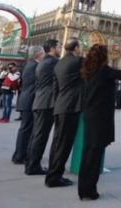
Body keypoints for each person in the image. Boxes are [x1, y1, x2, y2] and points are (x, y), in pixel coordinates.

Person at [78, 44, 121, 201]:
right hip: (100, 117)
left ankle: (83, 189)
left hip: (89, 114)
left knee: (88, 152)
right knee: (95, 154)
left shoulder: (87, 70)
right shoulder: (104, 71)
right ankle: (89, 190)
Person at [46, 38, 83, 188]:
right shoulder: (78, 62)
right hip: (70, 108)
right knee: (64, 144)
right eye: (80, 47)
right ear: (76, 48)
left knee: (57, 143)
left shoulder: (59, 63)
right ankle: (54, 178)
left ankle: (52, 174)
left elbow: (55, 88)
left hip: (60, 106)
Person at [26, 39, 60, 176]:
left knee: (36, 134)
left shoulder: (43, 62)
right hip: (47, 102)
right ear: (52, 48)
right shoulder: (53, 62)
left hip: (40, 101)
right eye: (59, 46)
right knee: (41, 136)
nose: (60, 48)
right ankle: (33, 166)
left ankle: (30, 163)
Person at [12, 46, 43, 165]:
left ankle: (19, 154)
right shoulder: (35, 66)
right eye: (43, 53)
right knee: (26, 129)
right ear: (38, 54)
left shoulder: (30, 64)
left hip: (26, 99)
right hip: (30, 100)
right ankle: (20, 155)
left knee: (25, 129)